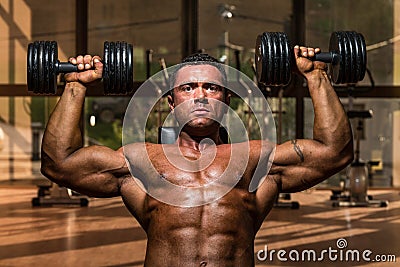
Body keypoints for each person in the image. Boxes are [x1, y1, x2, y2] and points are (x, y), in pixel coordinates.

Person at [41, 45, 353, 266]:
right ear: (172, 100)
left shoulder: (255, 159)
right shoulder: (141, 161)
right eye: (189, 87)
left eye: (211, 88)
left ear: (227, 99)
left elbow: (334, 152)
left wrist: (316, 77)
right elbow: (60, 164)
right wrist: (75, 86)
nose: (200, 95)